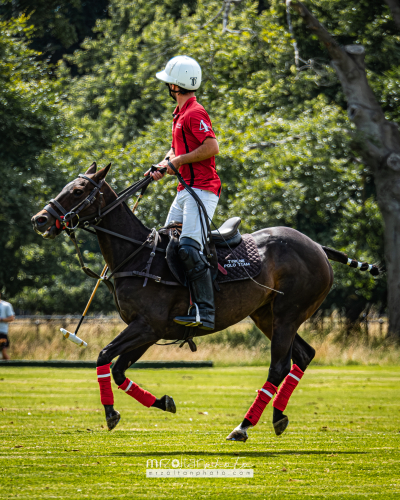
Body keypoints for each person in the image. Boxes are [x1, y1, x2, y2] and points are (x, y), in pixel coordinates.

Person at [148, 55, 220, 330]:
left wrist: (176, 162)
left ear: (175, 86)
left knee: (189, 248)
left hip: (202, 190)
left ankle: (205, 312)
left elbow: (212, 147)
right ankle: (178, 304)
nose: (167, 86)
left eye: (168, 82)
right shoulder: (179, 115)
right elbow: (175, 150)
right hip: (184, 190)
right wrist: (162, 164)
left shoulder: (194, 113)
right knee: (167, 246)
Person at [0, 291, 15, 360]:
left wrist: (1, 319)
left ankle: (12, 367)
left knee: (3, 353)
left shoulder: (6, 305)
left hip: (2, 332)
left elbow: (11, 318)